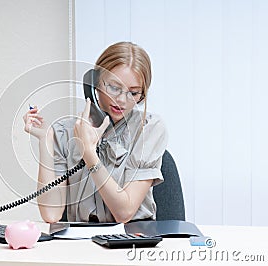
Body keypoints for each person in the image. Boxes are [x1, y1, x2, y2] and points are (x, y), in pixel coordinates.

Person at [23, 42, 167, 223]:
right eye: (114, 88)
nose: (122, 100)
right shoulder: (65, 132)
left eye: (133, 93)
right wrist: (46, 140)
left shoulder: (149, 129)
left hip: (131, 239)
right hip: (83, 241)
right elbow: (51, 215)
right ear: (93, 83)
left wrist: (90, 155)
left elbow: (124, 213)